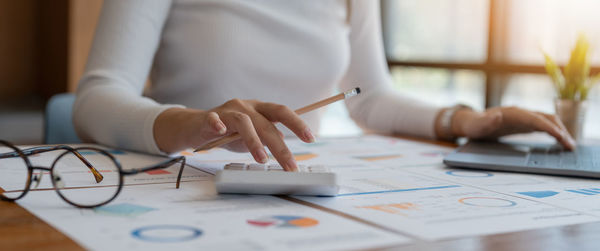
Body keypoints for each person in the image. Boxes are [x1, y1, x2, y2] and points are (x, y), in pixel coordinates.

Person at [74, 0, 575, 171]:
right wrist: (192, 124)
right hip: (183, 178)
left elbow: (369, 97)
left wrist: (464, 120)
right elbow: (95, 98)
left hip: (301, 189)